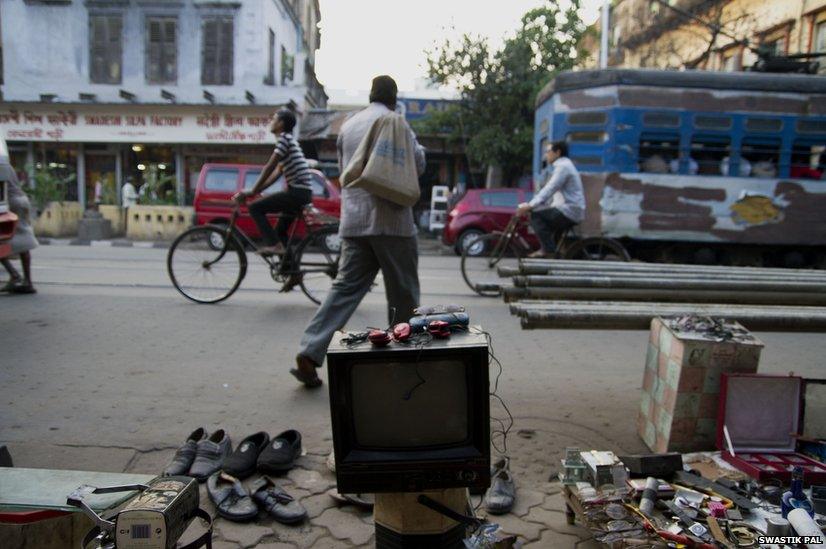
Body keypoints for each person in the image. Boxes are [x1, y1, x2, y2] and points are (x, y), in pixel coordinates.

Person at [292, 75, 426, 388]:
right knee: (403, 295)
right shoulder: (396, 122)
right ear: (394, 98)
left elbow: (346, 173)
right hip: (392, 223)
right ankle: (404, 362)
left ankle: (310, 352)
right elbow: (416, 164)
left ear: (370, 95)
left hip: (354, 221)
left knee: (344, 290)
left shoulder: (349, 125)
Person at [234, 109, 313, 287]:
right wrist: (253, 190)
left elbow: (269, 167)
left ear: (281, 124)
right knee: (280, 232)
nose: (271, 121)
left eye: (274, 119)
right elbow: (277, 173)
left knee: (255, 208)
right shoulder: (288, 142)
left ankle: (275, 247)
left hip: (297, 192)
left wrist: (252, 191)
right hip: (301, 192)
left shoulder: (284, 139)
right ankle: (293, 272)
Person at [516, 141, 585, 258]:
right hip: (569, 209)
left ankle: (547, 251)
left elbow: (550, 188)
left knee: (536, 216)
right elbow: (553, 194)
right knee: (545, 222)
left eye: (548, 152)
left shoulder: (563, 167)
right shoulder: (564, 166)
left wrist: (530, 205)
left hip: (570, 210)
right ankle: (553, 254)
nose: (545, 155)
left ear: (557, 152)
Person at [1, 173, 38, 294]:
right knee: (23, 239)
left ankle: (15, 275)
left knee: (2, 241)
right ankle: (27, 281)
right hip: (21, 198)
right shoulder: (5, 162)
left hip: (9, 201)